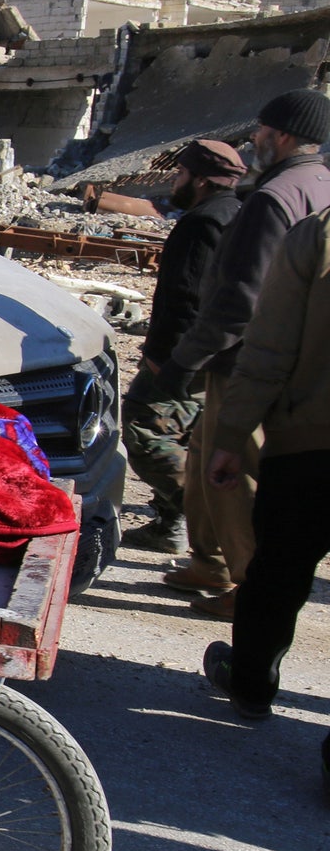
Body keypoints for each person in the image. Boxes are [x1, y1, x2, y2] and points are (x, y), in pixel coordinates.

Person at [156, 89, 330, 619]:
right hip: (291, 360)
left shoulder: (274, 198)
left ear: (282, 136)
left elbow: (240, 298)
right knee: (207, 456)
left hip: (247, 362)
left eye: (260, 132)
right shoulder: (320, 184)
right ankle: (209, 560)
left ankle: (248, 586)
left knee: (233, 471)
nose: (252, 141)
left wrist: (185, 360)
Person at [199, 204, 330, 797]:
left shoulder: (320, 234)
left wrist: (231, 435)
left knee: (278, 569)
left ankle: (251, 683)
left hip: (312, 444)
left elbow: (271, 344)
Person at [120, 140, 246, 555]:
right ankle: (170, 524)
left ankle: (201, 518)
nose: (175, 182)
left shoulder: (203, 222)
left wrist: (168, 360)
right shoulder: (238, 215)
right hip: (218, 354)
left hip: (182, 356)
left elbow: (186, 298)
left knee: (144, 430)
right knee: (190, 438)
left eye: (181, 175)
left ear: (202, 180)